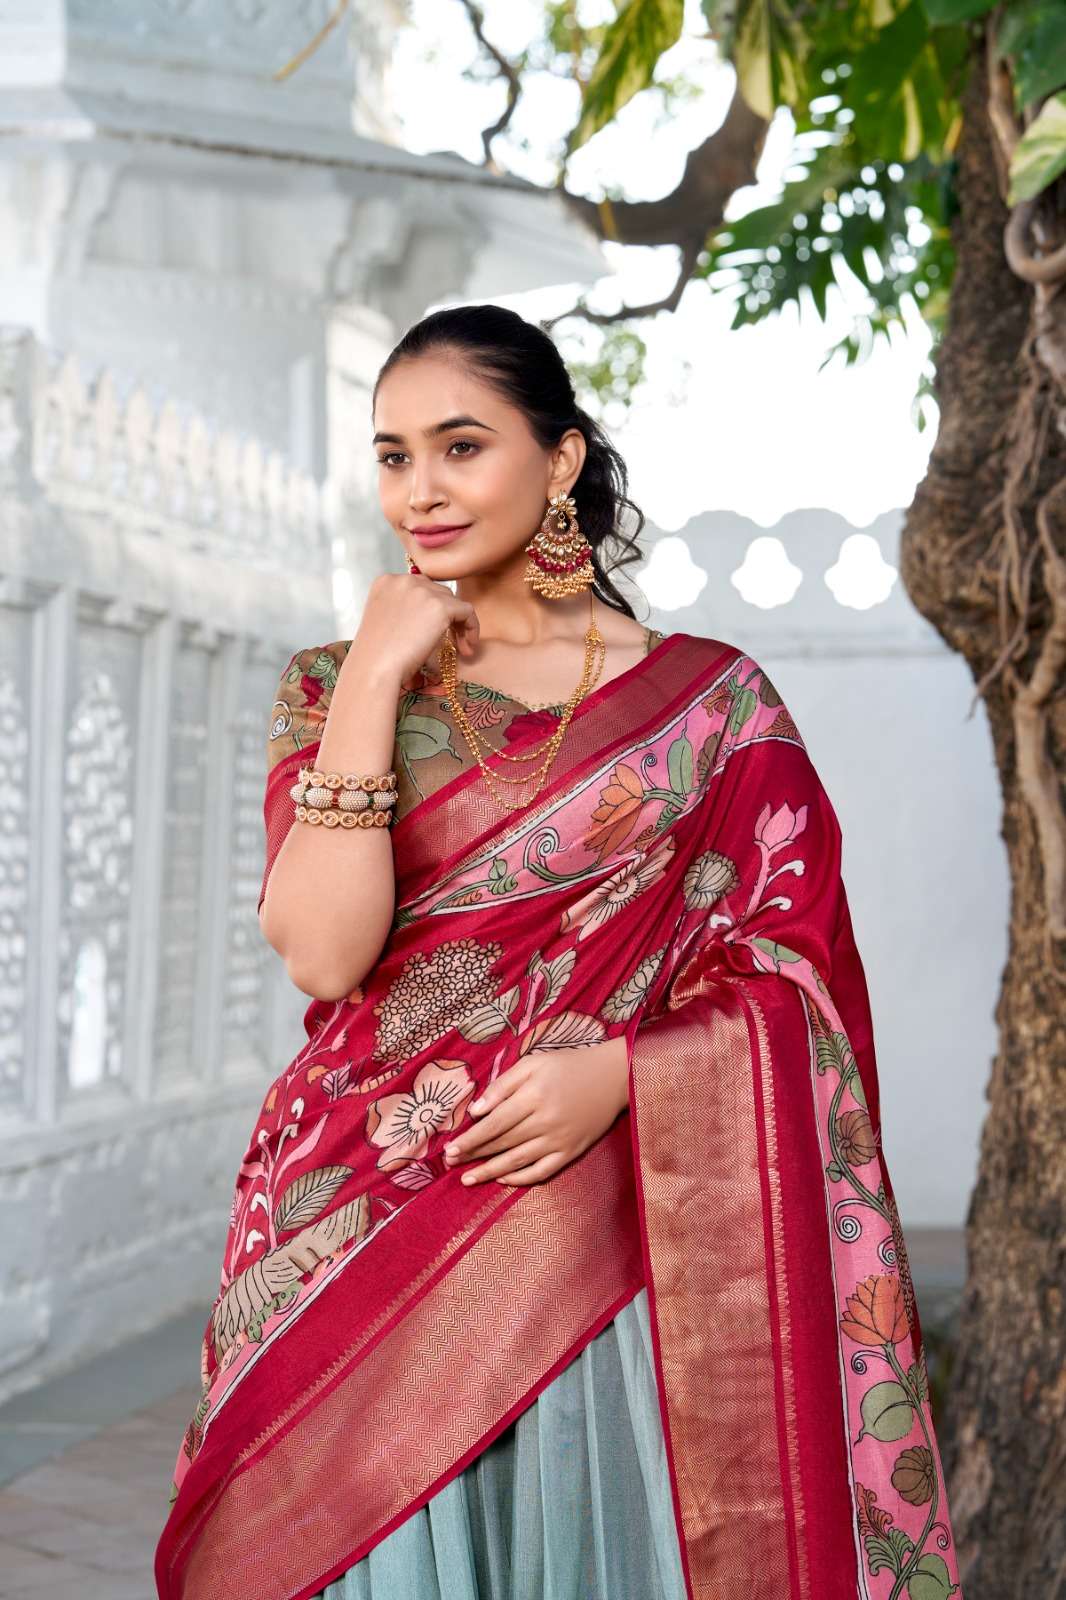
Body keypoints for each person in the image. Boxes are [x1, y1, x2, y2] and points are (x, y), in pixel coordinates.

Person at [154, 304, 965, 1600]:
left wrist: (629, 1074)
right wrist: (375, 676)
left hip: (598, 1234)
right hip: (355, 1217)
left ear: (561, 459)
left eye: (460, 446)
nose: (419, 490)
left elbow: (794, 970)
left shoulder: (711, 705)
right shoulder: (334, 684)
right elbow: (322, 954)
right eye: (392, 456)